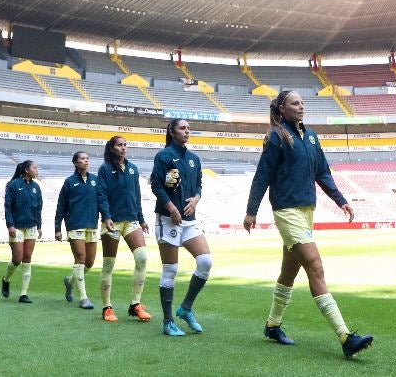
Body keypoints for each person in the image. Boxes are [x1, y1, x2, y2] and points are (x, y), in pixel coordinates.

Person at [244, 90, 373, 358]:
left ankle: (272, 325)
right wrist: (251, 210)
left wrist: (341, 200)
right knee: (315, 265)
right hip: (286, 210)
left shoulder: (312, 136)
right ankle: (345, 336)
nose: (301, 106)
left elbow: (322, 172)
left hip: (306, 211)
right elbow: (262, 174)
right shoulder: (277, 136)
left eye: (303, 102)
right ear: (281, 109)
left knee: (289, 273)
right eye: (295, 103)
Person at [151, 119, 212, 336]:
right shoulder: (165, 156)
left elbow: (199, 186)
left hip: (190, 219)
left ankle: (185, 308)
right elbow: (156, 185)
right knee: (171, 270)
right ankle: (168, 322)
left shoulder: (194, 159)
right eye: (182, 128)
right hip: (168, 219)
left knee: (205, 261)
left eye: (188, 128)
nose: (186, 131)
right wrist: (172, 208)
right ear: (171, 131)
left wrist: (196, 199)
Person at [96, 135, 151, 323]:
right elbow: (101, 194)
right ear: (112, 148)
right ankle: (107, 308)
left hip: (131, 220)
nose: (124, 148)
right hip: (112, 221)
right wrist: (106, 216)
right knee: (109, 265)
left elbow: (136, 195)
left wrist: (142, 219)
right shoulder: (104, 169)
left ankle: (136, 304)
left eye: (125, 145)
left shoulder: (133, 169)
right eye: (120, 145)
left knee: (142, 257)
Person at [55, 151, 100, 310]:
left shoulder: (96, 180)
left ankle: (70, 281)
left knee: (90, 262)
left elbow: (101, 201)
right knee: (80, 258)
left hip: (92, 225)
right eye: (82, 158)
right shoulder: (69, 182)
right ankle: (83, 298)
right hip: (75, 224)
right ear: (75, 162)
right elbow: (61, 205)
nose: (86, 161)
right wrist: (57, 228)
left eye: (88, 158)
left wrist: (108, 217)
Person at [1, 160, 43, 304]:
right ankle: (6, 279)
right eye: (35, 167)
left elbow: (39, 208)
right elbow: (8, 207)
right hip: (16, 227)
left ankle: (23, 294)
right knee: (17, 258)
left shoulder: (36, 187)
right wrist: (10, 225)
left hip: (31, 226)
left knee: (27, 257)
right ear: (26, 170)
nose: (37, 170)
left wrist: (39, 226)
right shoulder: (13, 185)